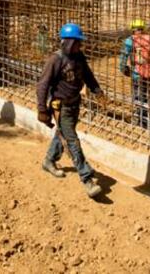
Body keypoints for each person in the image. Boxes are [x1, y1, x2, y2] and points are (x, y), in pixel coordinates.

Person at [37, 22, 107, 198]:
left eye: (79, 42)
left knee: (62, 134)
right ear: (67, 42)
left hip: (75, 104)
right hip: (61, 107)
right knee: (72, 141)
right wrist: (42, 109)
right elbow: (42, 85)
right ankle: (87, 179)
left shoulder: (79, 57)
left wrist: (97, 91)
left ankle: (49, 161)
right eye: (76, 42)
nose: (79, 45)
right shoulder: (56, 60)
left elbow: (88, 76)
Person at [119, 18, 150, 130]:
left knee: (138, 96)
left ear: (133, 29)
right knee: (147, 95)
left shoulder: (130, 41)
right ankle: (147, 118)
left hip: (136, 74)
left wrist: (124, 69)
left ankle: (143, 121)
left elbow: (123, 57)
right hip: (149, 73)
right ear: (143, 29)